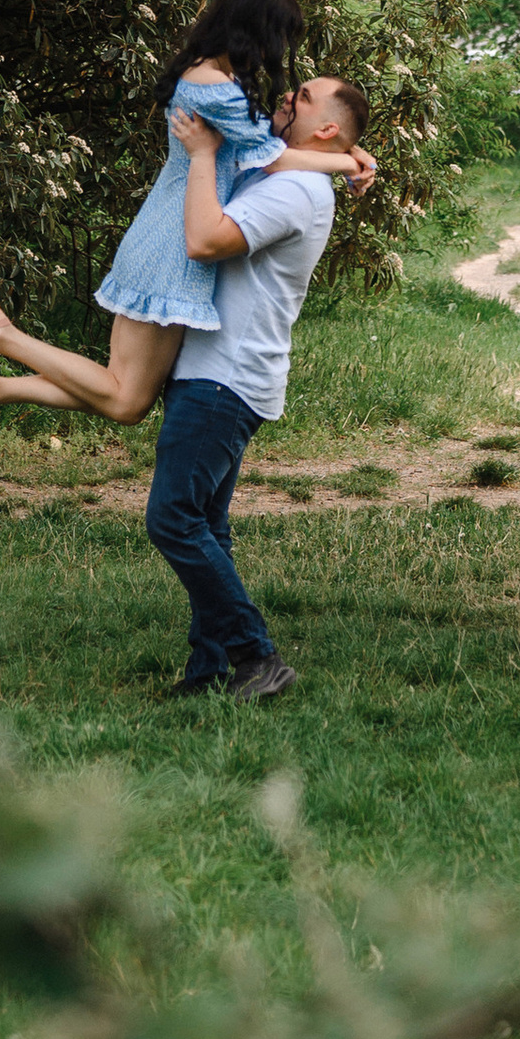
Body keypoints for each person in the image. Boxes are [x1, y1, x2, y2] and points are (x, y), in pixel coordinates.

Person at [0, 0, 371, 439]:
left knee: (126, 396)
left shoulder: (209, 72)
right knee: (125, 397)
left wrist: (347, 152)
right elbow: (272, 157)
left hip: (161, 236)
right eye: (278, 37)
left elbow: (269, 147)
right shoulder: (216, 88)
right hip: (172, 251)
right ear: (255, 28)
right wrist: (344, 164)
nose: (277, 52)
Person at [135, 66, 368, 699]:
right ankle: (207, 671)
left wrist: (204, 153)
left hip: (223, 380)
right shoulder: (297, 173)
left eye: (305, 97)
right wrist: (349, 158)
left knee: (173, 519)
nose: (287, 97)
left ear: (324, 127)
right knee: (205, 524)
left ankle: (255, 655)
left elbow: (207, 240)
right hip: (227, 374)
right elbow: (268, 148)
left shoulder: (293, 192)